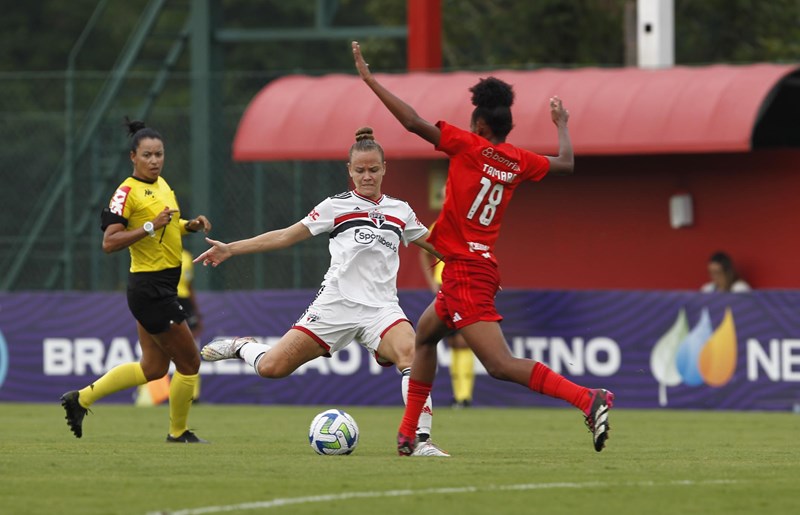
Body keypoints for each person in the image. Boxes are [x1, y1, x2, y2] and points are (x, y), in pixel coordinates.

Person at [352, 41, 615, 455]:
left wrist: (370, 81)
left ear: (478, 124)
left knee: (499, 364)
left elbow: (412, 121)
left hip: (464, 270)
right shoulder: (517, 160)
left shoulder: (467, 145)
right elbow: (566, 162)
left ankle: (588, 398)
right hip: (480, 267)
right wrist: (561, 124)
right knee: (424, 337)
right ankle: (408, 435)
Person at [197, 127, 449, 457]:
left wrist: (478, 266)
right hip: (336, 305)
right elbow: (286, 236)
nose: (367, 176)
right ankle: (242, 346)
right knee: (273, 368)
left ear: (385, 168)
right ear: (349, 171)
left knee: (412, 356)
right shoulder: (335, 206)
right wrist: (231, 248)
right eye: (360, 170)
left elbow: (437, 246)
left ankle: (419, 441)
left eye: (374, 169)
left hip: (382, 310)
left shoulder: (400, 211)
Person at [60, 117, 212, 443]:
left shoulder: (163, 185)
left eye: (159, 154)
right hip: (151, 289)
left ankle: (80, 399)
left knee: (153, 369)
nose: (155, 160)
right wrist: (150, 227)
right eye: (147, 155)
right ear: (133, 157)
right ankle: (178, 432)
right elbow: (109, 242)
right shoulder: (126, 192)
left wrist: (189, 226)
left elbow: (167, 224)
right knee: (190, 362)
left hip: (161, 287)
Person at [420, 189, 475, 409]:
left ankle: (465, 395)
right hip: (444, 286)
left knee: (463, 342)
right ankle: (458, 396)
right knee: (452, 343)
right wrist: (432, 281)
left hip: (463, 286)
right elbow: (422, 251)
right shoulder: (438, 226)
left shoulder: (468, 224)